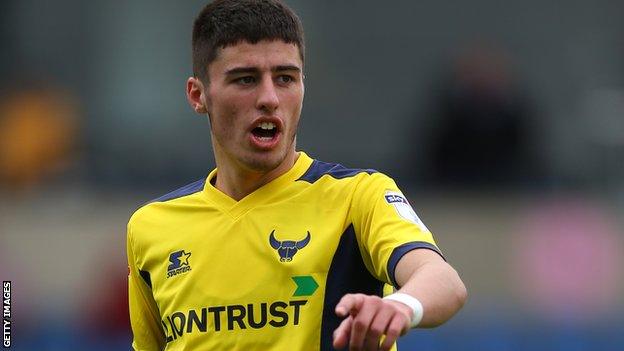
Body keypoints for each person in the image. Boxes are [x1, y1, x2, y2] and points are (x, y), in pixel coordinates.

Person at [127, 1, 467, 350]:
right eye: (246, 79)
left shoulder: (357, 196)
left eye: (285, 78)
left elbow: (443, 281)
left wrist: (399, 306)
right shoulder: (151, 228)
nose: (270, 98)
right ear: (198, 95)